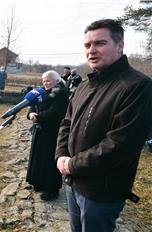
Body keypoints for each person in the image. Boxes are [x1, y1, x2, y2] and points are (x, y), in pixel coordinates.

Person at [55, 19, 152, 232]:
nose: (92, 50)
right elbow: (66, 123)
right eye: (87, 45)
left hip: (102, 192)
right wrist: (61, 156)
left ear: (120, 45)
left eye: (100, 43)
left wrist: (72, 164)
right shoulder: (85, 85)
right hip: (72, 181)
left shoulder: (137, 86)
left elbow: (120, 144)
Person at [26, 70, 68, 201]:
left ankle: (51, 189)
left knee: (49, 159)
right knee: (38, 156)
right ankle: (38, 181)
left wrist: (38, 117)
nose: (45, 83)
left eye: (48, 80)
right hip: (40, 130)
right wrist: (31, 114)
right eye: (44, 81)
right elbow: (32, 105)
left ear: (56, 81)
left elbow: (56, 111)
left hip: (52, 131)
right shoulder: (41, 92)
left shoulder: (61, 93)